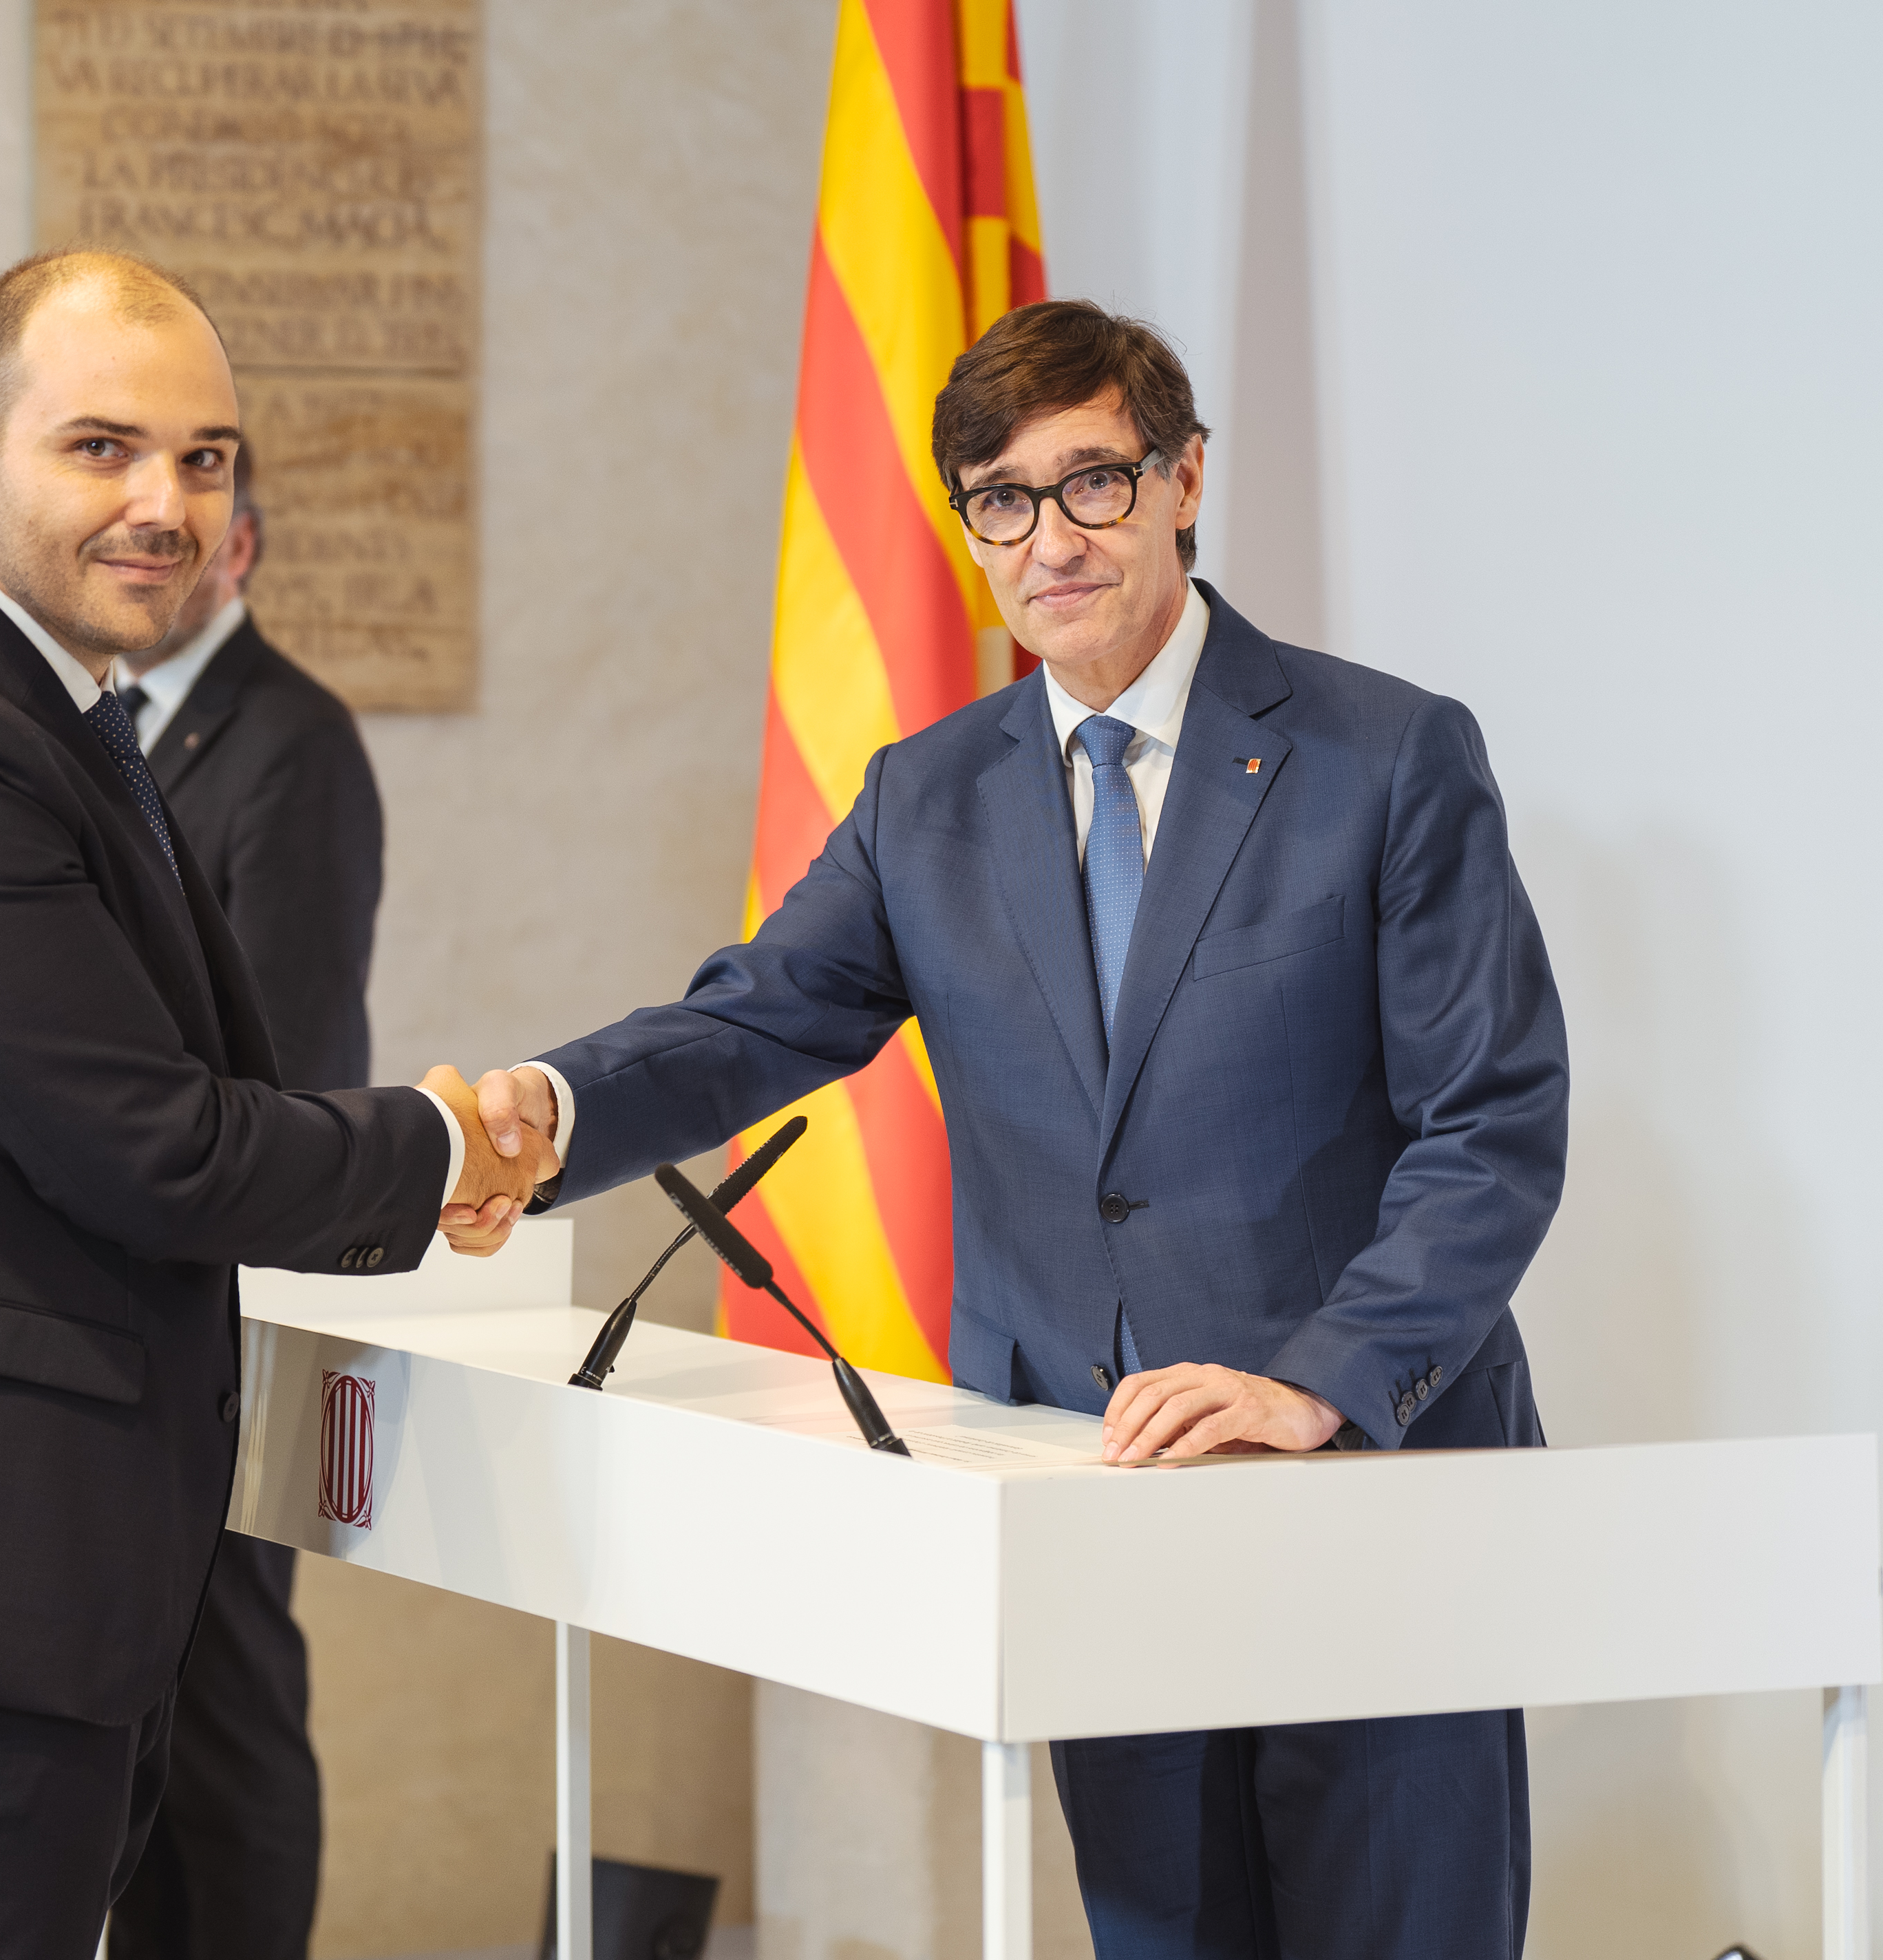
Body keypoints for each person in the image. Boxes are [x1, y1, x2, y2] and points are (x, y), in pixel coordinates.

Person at [451, 300, 1566, 1959]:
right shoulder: (930, 796)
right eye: (1000, 497)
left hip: (1371, 1499)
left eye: (1094, 482)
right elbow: (753, 1016)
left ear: (1187, 481)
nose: (1049, 537)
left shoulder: (1386, 755)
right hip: (1087, 1487)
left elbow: (1492, 1123)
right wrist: (553, 1110)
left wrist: (1317, 1376)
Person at [0, 246, 551, 1960]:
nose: (166, 502)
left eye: (205, 458)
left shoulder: (49, 709)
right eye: (102, 448)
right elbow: (161, 1143)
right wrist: (442, 1140)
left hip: (13, 1583)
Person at [105, 449, 370, 1960]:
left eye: (180, 531)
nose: (147, 555)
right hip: (120, 1303)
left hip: (229, 1301)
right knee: (148, 1712)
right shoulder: (96, 733)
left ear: (243, 546)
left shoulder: (294, 742)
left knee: (231, 1701)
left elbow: (297, 1059)